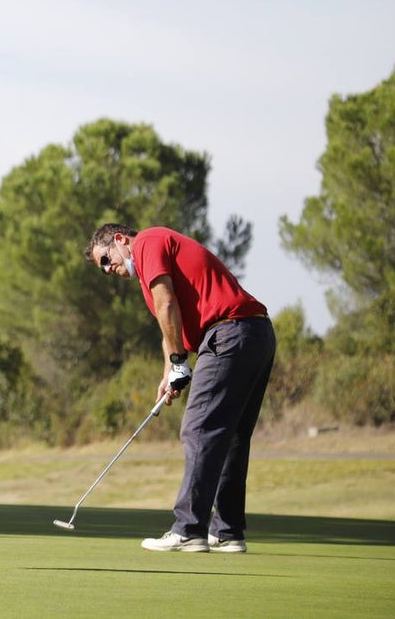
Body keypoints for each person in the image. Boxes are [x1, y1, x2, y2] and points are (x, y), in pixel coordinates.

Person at [84, 223, 276, 553]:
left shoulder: (147, 242)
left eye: (106, 260)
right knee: (230, 436)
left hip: (229, 333)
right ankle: (227, 532)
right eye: (103, 268)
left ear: (119, 240)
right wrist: (169, 373)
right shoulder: (149, 271)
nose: (108, 269)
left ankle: (188, 528)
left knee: (198, 429)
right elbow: (169, 325)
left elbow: (167, 305)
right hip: (255, 334)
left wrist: (178, 362)